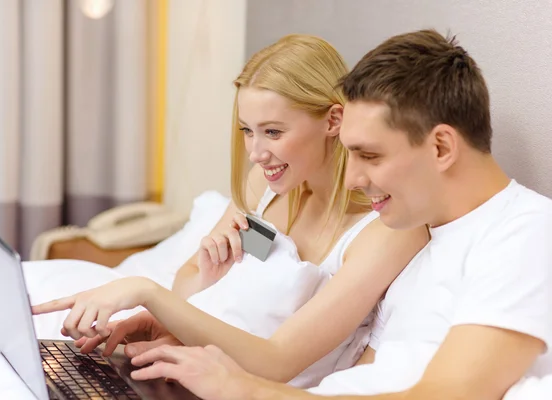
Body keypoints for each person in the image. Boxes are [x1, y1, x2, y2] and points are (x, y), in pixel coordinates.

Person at [111, 29, 552, 400]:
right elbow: (350, 375)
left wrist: (242, 387)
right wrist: (186, 336)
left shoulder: (525, 231)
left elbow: (448, 395)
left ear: (440, 147)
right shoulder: (424, 236)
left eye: (370, 156)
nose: (353, 178)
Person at [32, 34, 427, 387]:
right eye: (247, 130)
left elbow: (278, 362)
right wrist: (185, 305)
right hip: (192, 368)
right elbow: (187, 284)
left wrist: (146, 293)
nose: (256, 152)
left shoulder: (384, 230)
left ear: (333, 120)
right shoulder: (266, 187)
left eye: (273, 131)